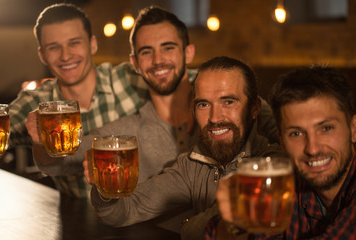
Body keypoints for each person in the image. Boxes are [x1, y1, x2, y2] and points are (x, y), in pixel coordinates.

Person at [29, 6, 277, 198]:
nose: (158, 60)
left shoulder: (236, 107)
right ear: (135, 63)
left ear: (188, 53)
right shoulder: (124, 133)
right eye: (146, 51)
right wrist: (41, 143)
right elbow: (60, 163)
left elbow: (287, 137)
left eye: (168, 48)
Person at [83, 56, 283, 240]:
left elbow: (199, 231)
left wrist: (189, 225)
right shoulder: (192, 165)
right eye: (204, 105)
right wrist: (106, 189)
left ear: (255, 108)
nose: (214, 118)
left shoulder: (274, 164)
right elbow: (123, 212)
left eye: (228, 102)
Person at [8, 3, 150, 198]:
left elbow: (191, 82)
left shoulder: (128, 80)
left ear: (93, 44)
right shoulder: (37, 101)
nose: (66, 56)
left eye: (74, 43)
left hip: (142, 214)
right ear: (42, 55)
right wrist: (40, 143)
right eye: (53, 47)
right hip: (79, 222)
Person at [206, 65, 356, 239]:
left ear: (353, 129)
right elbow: (214, 233)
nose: (313, 149)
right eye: (296, 133)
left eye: (326, 128)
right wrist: (234, 224)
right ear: (282, 141)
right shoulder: (285, 187)